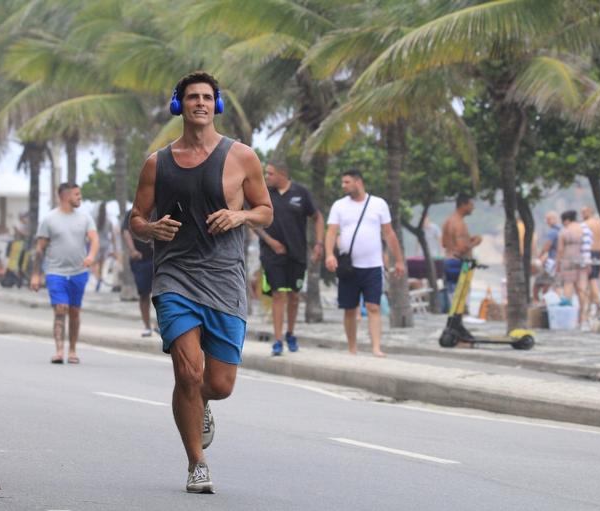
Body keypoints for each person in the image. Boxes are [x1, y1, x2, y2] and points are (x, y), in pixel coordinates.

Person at [129, 71, 272, 494]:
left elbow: (265, 209)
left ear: (217, 104)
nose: (200, 104)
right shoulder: (158, 162)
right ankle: (196, 462)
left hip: (225, 278)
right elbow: (135, 217)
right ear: (179, 105)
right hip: (174, 276)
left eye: (207, 97)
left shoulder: (242, 156)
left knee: (219, 385)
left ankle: (203, 405)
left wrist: (240, 215)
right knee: (188, 372)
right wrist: (150, 230)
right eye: (192, 97)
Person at [324, 169, 405, 357]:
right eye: (342, 182)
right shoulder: (339, 206)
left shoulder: (379, 204)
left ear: (358, 182)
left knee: (373, 306)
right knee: (350, 308)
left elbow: (389, 233)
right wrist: (329, 254)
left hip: (373, 265)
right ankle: (352, 347)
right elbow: (331, 232)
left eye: (347, 182)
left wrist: (399, 260)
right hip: (348, 266)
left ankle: (376, 347)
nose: (343, 186)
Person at [254, 159, 323, 356]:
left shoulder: (301, 193)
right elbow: (253, 221)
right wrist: (270, 241)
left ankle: (290, 333)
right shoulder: (264, 194)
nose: (266, 177)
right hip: (271, 255)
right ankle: (277, 340)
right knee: (278, 294)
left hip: (297, 254)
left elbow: (317, 217)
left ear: (282, 175)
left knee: (294, 296)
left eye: (270, 173)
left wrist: (318, 243)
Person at [30, 183, 99, 364]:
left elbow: (94, 239)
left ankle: (73, 350)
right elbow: (39, 249)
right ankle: (59, 351)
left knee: (74, 311)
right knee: (60, 309)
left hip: (79, 272)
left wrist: (91, 256)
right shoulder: (49, 219)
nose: (80, 197)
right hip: (55, 272)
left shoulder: (85, 218)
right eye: (77, 194)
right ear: (65, 196)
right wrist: (35, 275)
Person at [441, 193, 482, 302]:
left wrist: (469, 239)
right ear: (463, 205)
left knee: (453, 297)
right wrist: (475, 243)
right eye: (471, 204)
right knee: (462, 299)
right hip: (460, 264)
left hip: (448, 261)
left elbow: (444, 243)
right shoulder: (459, 224)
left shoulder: (448, 221)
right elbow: (461, 248)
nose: (473, 207)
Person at [121, 210, 155, 336]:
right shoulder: (132, 212)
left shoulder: (160, 208)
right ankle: (147, 326)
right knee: (144, 294)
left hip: (158, 257)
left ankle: (159, 325)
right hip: (140, 259)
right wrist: (133, 250)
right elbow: (126, 232)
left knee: (162, 293)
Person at [556, 210, 588, 328]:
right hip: (581, 260)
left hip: (567, 260)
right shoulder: (583, 229)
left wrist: (558, 264)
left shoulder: (565, 231)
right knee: (581, 289)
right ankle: (582, 318)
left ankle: (568, 319)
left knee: (568, 286)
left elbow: (560, 250)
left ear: (566, 220)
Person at [581, 206, 600, 316]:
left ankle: (598, 303)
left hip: (590, 251)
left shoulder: (586, 224)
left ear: (590, 212)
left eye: (584, 211)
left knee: (592, 278)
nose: (582, 213)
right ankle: (592, 306)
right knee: (594, 277)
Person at [533, 211, 561, 303]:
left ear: (554, 219)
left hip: (551, 262)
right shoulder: (562, 230)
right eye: (546, 219)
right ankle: (546, 302)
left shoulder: (553, 232)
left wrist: (540, 257)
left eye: (548, 219)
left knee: (539, 285)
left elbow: (547, 246)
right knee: (550, 284)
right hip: (557, 261)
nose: (546, 221)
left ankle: (539, 302)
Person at [92, 201, 117, 292]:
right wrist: (114, 248)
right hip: (105, 244)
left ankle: (98, 278)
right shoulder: (108, 221)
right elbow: (113, 235)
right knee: (102, 264)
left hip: (96, 244)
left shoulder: (94, 219)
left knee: (94, 264)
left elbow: (91, 233)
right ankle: (100, 277)